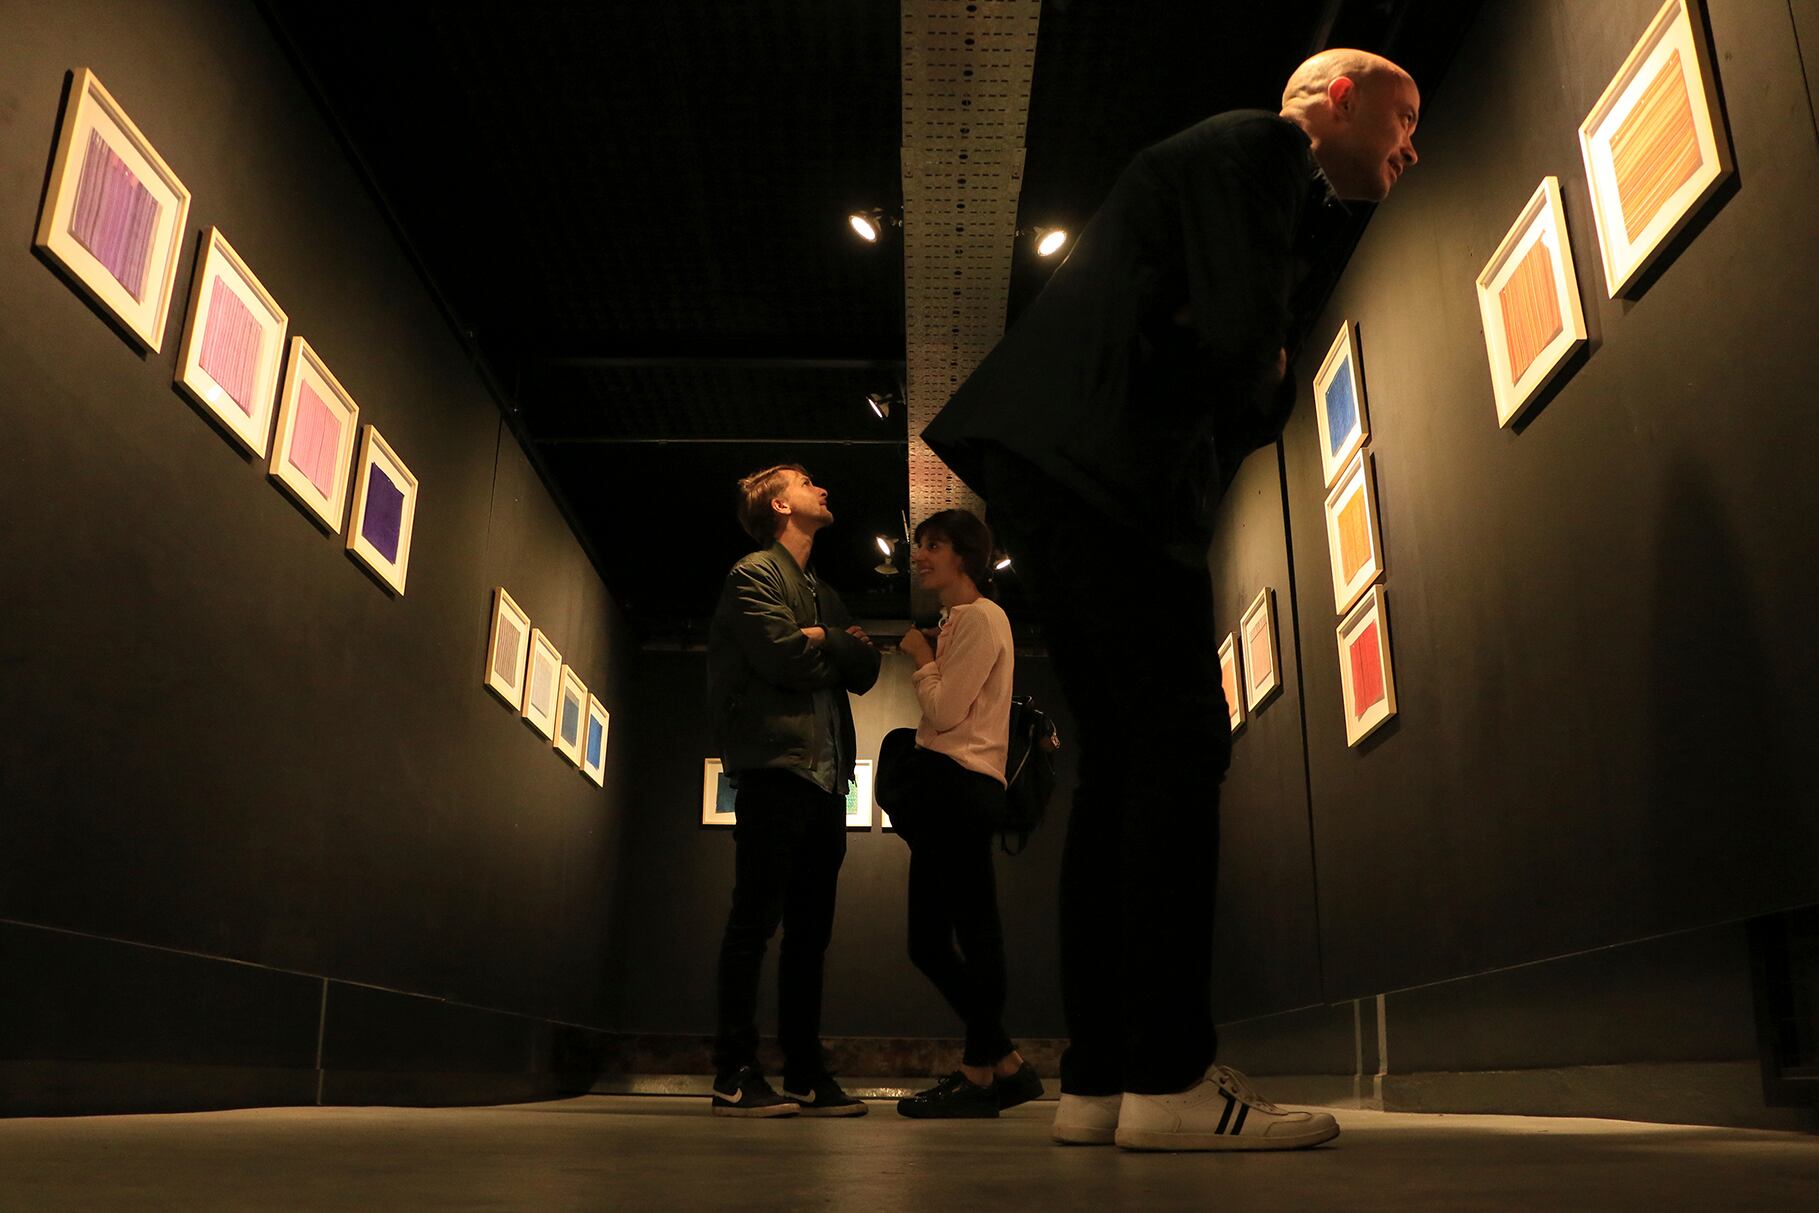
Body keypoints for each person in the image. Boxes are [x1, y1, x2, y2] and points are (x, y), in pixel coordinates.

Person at [921, 49, 1420, 1151]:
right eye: (1402, 113)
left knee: (1120, 772)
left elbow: (1222, 336)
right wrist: (1269, 374)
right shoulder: (1260, 148)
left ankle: (1101, 1083)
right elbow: (1247, 352)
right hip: (1113, 482)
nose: (1410, 143)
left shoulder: (1221, 167)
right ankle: (1170, 1079)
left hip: (1060, 480)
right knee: (1181, 750)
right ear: (1337, 98)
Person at [706, 464, 881, 1118]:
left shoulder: (825, 595)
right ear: (780, 504)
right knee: (754, 922)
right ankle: (733, 1072)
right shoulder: (751, 574)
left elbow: (865, 667)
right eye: (809, 483)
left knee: (810, 934)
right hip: (776, 766)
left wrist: (827, 637)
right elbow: (780, 654)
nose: (824, 489)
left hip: (827, 778)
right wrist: (827, 646)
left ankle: (805, 1074)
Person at [888, 510, 1044, 1119]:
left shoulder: (980, 618)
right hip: (949, 790)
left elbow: (947, 713)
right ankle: (1003, 1066)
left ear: (966, 556)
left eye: (934, 545)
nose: (919, 555)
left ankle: (981, 1074)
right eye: (919, 546)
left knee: (968, 935)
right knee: (932, 941)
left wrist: (920, 657)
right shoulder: (962, 621)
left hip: (960, 786)